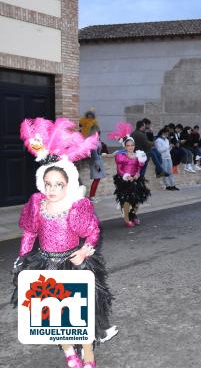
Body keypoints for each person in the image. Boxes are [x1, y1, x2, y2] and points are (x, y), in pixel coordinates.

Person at [13, 117, 118, 368]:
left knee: (82, 312)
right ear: (41, 183)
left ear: (68, 184)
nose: (51, 189)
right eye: (47, 184)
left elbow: (92, 232)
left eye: (58, 185)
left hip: (75, 263)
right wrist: (22, 257)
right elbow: (29, 233)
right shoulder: (37, 204)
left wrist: (84, 251)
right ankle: (70, 351)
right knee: (55, 313)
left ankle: (88, 352)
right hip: (46, 264)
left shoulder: (76, 206)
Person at [108, 122, 151, 227]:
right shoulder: (121, 156)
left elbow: (139, 167)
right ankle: (127, 219)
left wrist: (137, 174)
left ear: (134, 146)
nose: (130, 147)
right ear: (125, 146)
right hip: (125, 179)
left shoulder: (138, 155)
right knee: (127, 201)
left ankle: (133, 215)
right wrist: (127, 176)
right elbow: (119, 169)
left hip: (136, 179)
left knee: (136, 199)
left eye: (132, 145)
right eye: (128, 145)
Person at [87, 125, 105, 203]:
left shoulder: (95, 140)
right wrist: (97, 165)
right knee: (96, 179)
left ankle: (92, 196)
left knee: (97, 179)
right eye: (98, 132)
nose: (99, 133)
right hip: (96, 162)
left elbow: (97, 152)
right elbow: (94, 154)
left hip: (97, 161)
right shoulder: (93, 141)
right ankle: (91, 197)